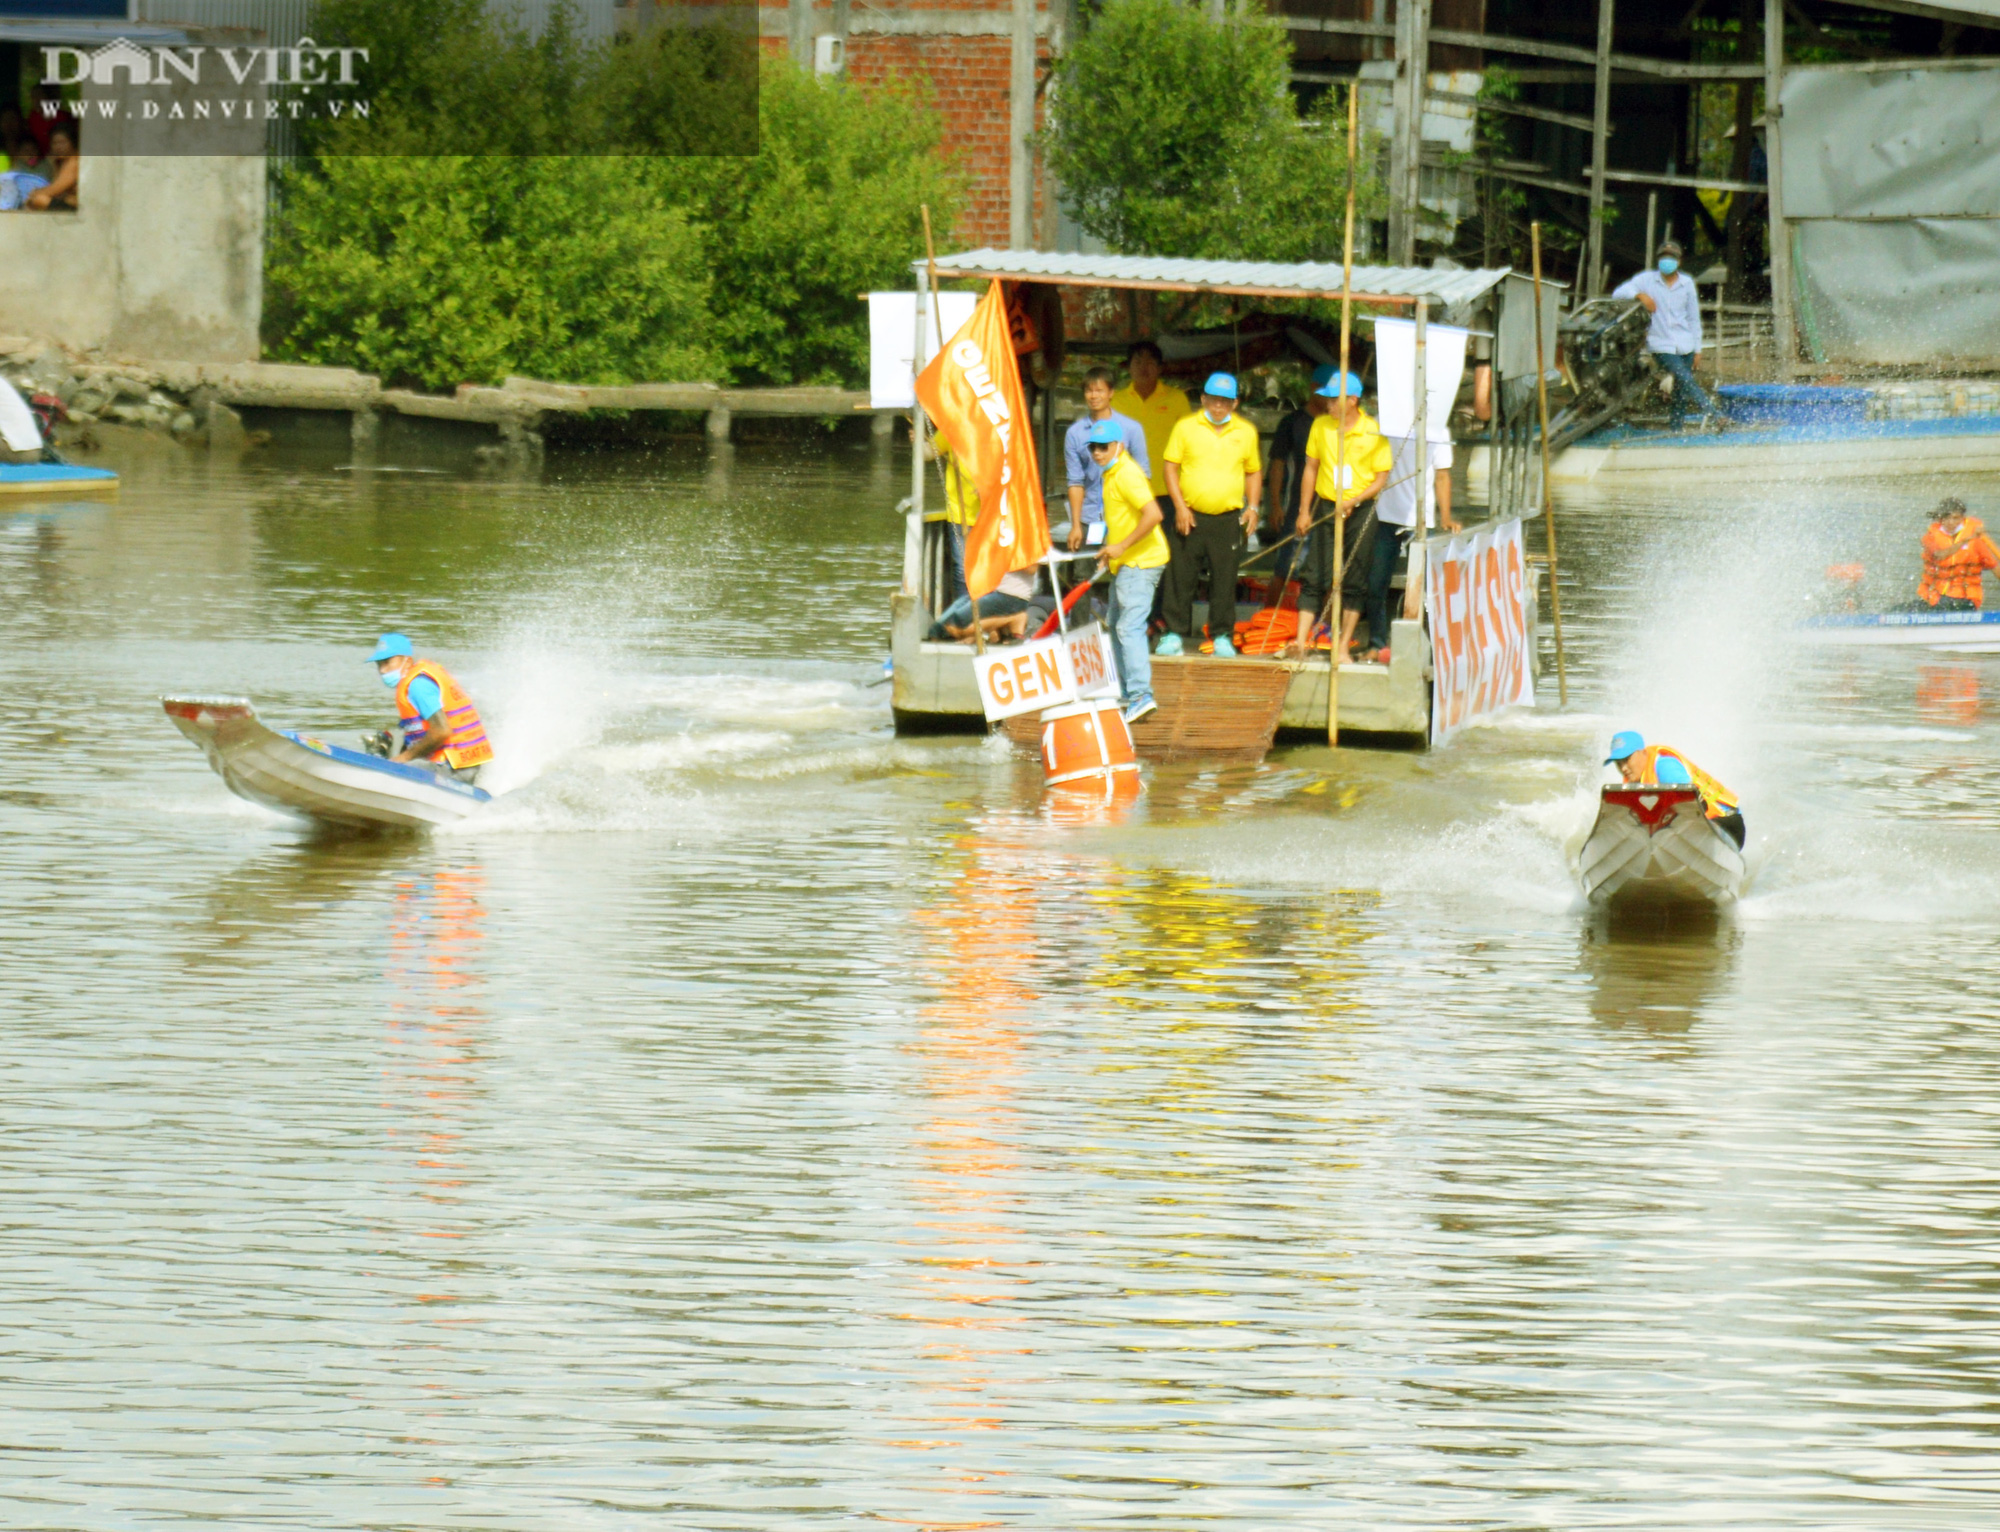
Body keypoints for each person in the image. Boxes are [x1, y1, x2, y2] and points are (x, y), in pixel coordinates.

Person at [1159, 372, 1262, 657]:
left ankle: (1221, 636)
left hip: (1228, 517)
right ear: (1203, 399)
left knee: (1225, 579)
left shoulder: (1246, 431)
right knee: (1180, 576)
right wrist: (1179, 507)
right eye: (1214, 399)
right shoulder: (1185, 427)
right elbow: (1170, 467)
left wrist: (1253, 507)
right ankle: (1173, 633)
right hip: (1189, 514)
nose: (1219, 406)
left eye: (1225, 401)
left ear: (1235, 403)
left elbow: (1253, 471)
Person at [1289, 372, 1391, 659]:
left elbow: (1381, 477)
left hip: (1360, 510)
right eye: (1328, 399)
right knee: (1314, 574)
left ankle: (1343, 644)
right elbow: (1310, 468)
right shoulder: (1320, 426)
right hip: (1326, 506)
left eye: (1335, 400)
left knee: (1355, 578)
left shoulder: (1372, 430)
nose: (1329, 405)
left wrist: (1355, 500)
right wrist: (1303, 511)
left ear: (1353, 401)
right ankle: (1299, 641)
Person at [1087, 418, 1171, 723]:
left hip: (1142, 561)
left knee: (1128, 627)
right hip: (1125, 562)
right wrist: (1111, 551)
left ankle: (1140, 695)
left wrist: (1121, 547)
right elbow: (1122, 518)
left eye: (1103, 447)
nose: (1097, 453)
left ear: (1118, 446)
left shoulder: (1126, 474)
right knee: (1114, 623)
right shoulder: (1110, 473)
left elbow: (1154, 514)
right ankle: (1126, 695)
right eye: (1093, 448)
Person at [1369, 421, 1462, 658]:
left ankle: (1431, 647)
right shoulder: (1384, 423)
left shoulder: (1439, 428)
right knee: (1375, 583)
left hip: (1423, 520)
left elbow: (1442, 476)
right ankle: (1376, 643)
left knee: (1429, 589)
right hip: (1385, 516)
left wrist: (1447, 516)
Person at [1611, 240, 1721, 430]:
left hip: (1685, 342)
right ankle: (1713, 414)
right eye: (1663, 258)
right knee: (1685, 378)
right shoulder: (1646, 280)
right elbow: (1618, 293)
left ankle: (1676, 430)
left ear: (1679, 261)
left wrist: (1697, 349)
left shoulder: (1686, 284)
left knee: (1680, 391)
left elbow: (1694, 319)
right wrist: (1640, 296)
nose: (1667, 261)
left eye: (1671, 258)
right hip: (1660, 343)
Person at [368, 633, 495, 783]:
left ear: (407, 661)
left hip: (455, 768)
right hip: (467, 763)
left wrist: (403, 758)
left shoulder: (418, 686)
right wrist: (400, 756)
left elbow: (441, 731)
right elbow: (416, 733)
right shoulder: (419, 679)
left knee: (396, 769)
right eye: (379, 664)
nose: (382, 670)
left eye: (387, 662)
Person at [1605, 730, 1744, 849]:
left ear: (1643, 753)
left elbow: (1694, 805)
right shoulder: (1634, 781)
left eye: (1627, 759)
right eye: (1618, 763)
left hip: (1727, 824)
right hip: (1701, 830)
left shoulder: (1664, 767)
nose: (1623, 768)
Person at [1264, 364, 1335, 586]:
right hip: (1296, 504)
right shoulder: (1292, 423)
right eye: (1326, 392)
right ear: (1314, 388)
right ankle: (1275, 614)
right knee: (1287, 565)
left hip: (1330, 503)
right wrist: (1275, 505)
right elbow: (1277, 466)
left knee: (1326, 569)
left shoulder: (1337, 425)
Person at [1064, 366, 1148, 551]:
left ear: (1111, 393)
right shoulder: (1074, 433)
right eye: (1089, 391)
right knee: (1087, 573)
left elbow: (1144, 475)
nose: (1094, 396)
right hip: (1092, 518)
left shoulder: (1131, 429)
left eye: (1099, 390)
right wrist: (1076, 525)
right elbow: (1075, 482)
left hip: (1124, 517)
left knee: (1126, 571)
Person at [1110, 341, 1190, 499]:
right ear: (1128, 367)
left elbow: (1189, 443)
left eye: (1150, 363)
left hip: (1168, 489)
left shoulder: (1176, 399)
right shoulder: (1115, 401)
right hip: (1127, 489)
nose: (1143, 368)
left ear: (1160, 368)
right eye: (1138, 362)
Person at [1918, 496, 2000, 611]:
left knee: (1943, 606)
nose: (1951, 522)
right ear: (1940, 518)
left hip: (1966, 598)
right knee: (1899, 610)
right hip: (1935, 597)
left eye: (1956, 518)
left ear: (1962, 518)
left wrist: (1970, 539)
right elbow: (1940, 555)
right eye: (1947, 518)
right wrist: (1965, 540)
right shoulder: (1930, 537)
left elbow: (1995, 568)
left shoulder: (1976, 542)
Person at [926, 566, 1037, 643]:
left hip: (1011, 596)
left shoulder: (1024, 539)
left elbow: (1032, 568)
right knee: (936, 630)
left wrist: (1005, 555)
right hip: (989, 591)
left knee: (956, 624)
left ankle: (1014, 619)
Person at [25, 126, 77, 211]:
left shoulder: (74, 161)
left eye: (62, 143)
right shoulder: (63, 161)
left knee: (39, 200)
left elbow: (55, 190)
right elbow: (57, 186)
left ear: (72, 143)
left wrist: (34, 194)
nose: (58, 147)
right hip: (66, 203)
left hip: (79, 208)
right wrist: (54, 165)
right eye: (55, 143)